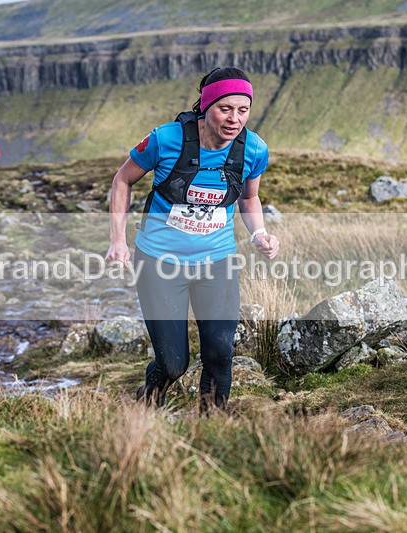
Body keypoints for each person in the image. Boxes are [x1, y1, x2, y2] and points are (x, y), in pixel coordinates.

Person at [106, 67, 280, 413]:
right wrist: (118, 241)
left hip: (217, 261)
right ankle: (148, 399)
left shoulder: (254, 149)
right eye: (225, 109)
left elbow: (249, 197)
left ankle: (210, 425)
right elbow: (122, 180)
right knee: (173, 364)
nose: (234, 119)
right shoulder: (165, 139)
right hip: (159, 262)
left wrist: (259, 233)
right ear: (206, 105)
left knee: (220, 352)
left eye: (242, 110)